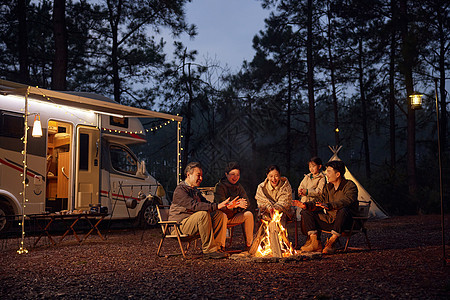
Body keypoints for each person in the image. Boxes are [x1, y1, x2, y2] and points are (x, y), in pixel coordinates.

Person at [168, 162, 231, 259]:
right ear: (189, 174)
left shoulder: (195, 191)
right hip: (179, 226)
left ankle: (218, 247)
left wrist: (224, 206)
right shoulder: (180, 190)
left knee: (219, 214)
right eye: (198, 175)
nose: (201, 178)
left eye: (201, 176)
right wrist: (217, 205)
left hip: (192, 223)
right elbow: (195, 206)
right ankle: (209, 250)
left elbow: (207, 204)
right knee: (203, 214)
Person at [299, 160, 358, 254]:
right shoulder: (328, 187)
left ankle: (331, 242)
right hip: (331, 221)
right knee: (306, 211)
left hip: (347, 222)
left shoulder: (350, 186)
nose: (327, 174)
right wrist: (306, 205)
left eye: (329, 172)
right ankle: (315, 242)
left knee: (343, 210)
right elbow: (319, 200)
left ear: (338, 174)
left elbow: (347, 201)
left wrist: (330, 205)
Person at [214, 162, 254, 250]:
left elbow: (247, 201)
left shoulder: (239, 187)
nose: (235, 177)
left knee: (248, 215)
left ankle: (249, 245)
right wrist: (234, 204)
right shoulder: (220, 186)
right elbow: (221, 204)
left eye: (237, 175)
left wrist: (239, 204)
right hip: (221, 218)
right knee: (223, 215)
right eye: (232, 174)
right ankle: (221, 247)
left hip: (233, 216)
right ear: (226, 174)